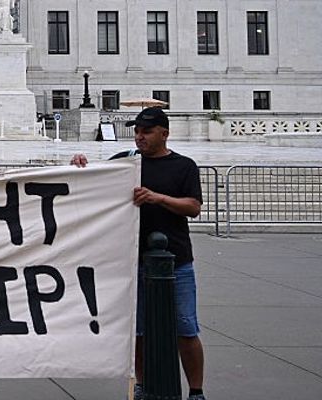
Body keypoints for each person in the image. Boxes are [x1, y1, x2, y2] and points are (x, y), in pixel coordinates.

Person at [70, 107, 206, 400]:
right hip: (132, 260)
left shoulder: (185, 166)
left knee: (185, 328)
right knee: (140, 331)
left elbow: (194, 207)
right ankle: (143, 386)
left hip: (177, 261)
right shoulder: (126, 162)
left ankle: (196, 391)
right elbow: (94, 181)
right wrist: (79, 166)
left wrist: (158, 198)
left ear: (164, 133)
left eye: (146, 131)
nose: (139, 136)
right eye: (137, 131)